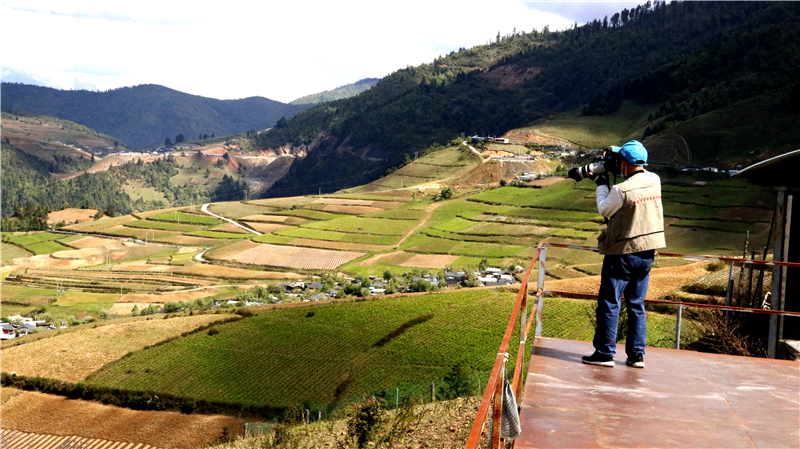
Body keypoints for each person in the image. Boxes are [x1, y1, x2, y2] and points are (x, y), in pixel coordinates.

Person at [581, 140, 665, 368]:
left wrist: (600, 184)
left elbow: (604, 209)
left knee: (610, 302)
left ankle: (605, 353)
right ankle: (637, 355)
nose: (617, 165)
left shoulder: (620, 190)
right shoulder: (655, 180)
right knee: (636, 304)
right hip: (647, 253)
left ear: (626, 163)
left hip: (623, 254)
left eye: (619, 161)